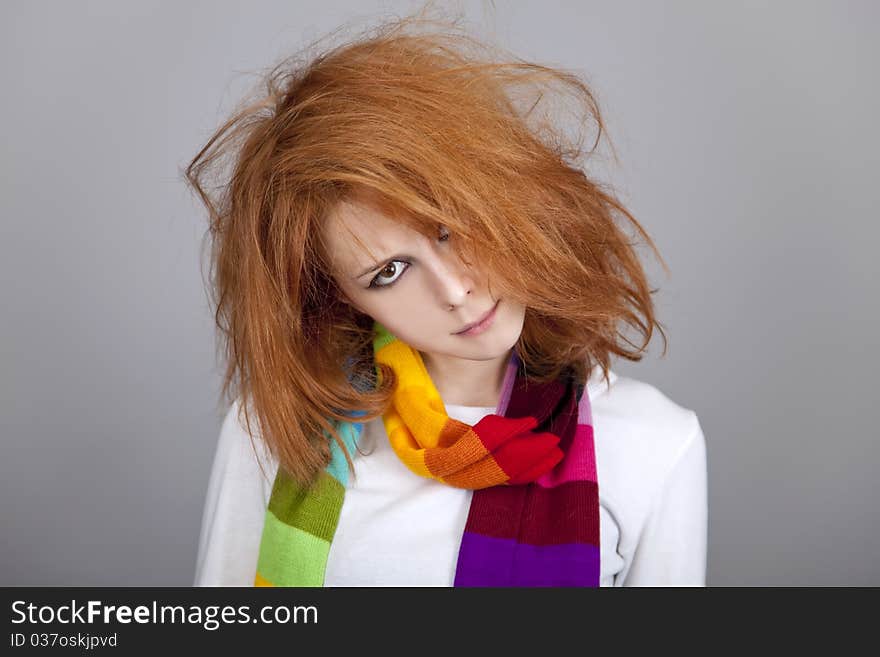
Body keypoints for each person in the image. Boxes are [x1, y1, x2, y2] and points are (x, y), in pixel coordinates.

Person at [185, 13, 707, 587]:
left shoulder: (654, 442)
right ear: (343, 299)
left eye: (450, 229)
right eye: (389, 272)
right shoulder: (277, 427)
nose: (455, 290)